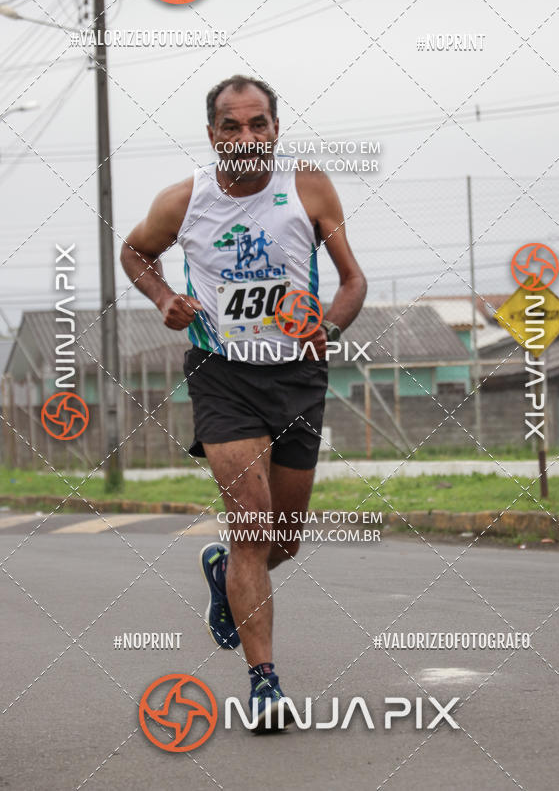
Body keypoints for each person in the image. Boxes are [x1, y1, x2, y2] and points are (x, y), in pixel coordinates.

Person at [121, 74, 366, 732]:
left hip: (298, 377)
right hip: (222, 374)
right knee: (253, 523)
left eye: (258, 124)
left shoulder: (308, 187)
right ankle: (264, 685)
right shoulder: (184, 201)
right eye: (232, 127)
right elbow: (136, 252)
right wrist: (164, 299)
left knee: (281, 540)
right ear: (213, 136)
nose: (247, 138)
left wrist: (331, 328)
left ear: (276, 130)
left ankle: (223, 571)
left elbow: (351, 279)